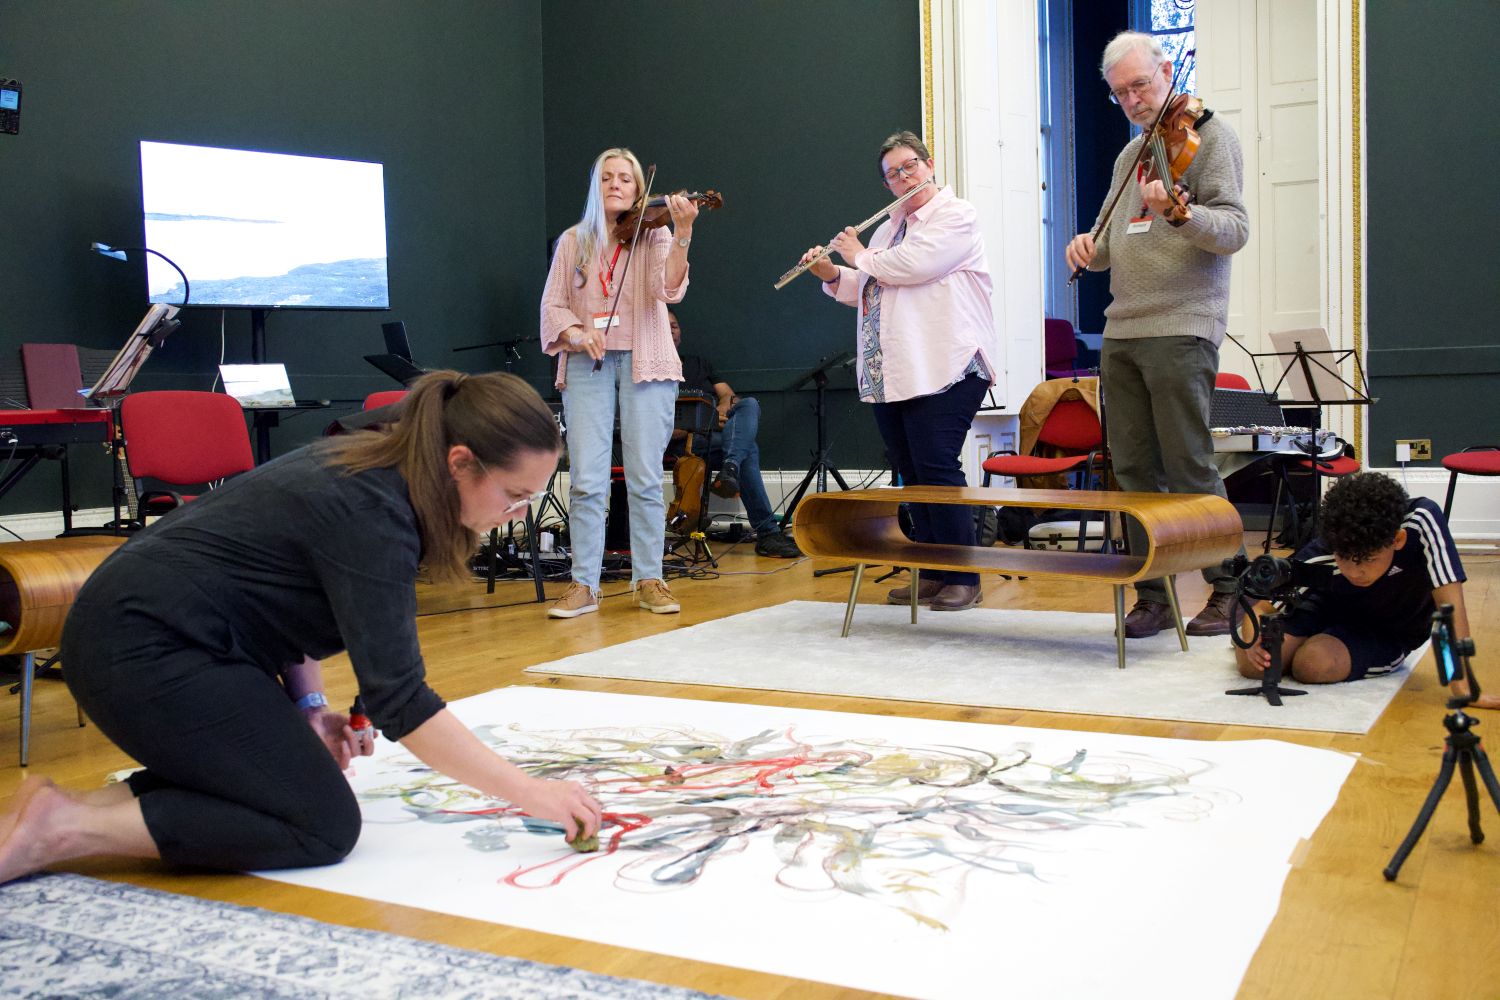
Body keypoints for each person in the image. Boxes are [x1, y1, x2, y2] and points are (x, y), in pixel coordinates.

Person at [0, 371, 602, 886]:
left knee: (289, 779)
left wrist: (309, 706)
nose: (518, 513)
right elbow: (401, 701)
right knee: (320, 825)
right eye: (515, 495)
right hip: (138, 652)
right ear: (460, 462)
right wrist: (532, 792)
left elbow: (286, 602)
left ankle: (68, 805)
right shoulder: (374, 510)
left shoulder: (381, 469)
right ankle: (67, 828)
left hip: (170, 639)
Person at [1064, 31, 1251, 640]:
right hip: (1123, 330)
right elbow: (1107, 242)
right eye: (1120, 93)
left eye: (1140, 85)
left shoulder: (1211, 138)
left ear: (1168, 71)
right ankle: (1154, 593)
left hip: (1182, 324)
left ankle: (1231, 589)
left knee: (1189, 463)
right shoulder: (1131, 155)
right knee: (1133, 472)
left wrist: (1180, 212)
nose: (1132, 100)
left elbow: (1234, 230)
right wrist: (1085, 247)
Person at [799, 130, 999, 611]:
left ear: (929, 165)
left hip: (948, 363)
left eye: (910, 166)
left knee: (936, 466)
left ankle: (963, 576)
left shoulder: (955, 215)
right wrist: (832, 273)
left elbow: (913, 266)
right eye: (893, 174)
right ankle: (932, 571)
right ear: (886, 185)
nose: (903, 177)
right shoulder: (887, 232)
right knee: (912, 471)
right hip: (897, 370)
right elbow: (874, 285)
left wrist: (855, 254)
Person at [540, 147, 698, 619]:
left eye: (625, 178)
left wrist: (684, 232)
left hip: (646, 360)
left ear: (638, 189)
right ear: (597, 185)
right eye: (607, 177)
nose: (615, 184)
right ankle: (583, 585)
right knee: (587, 480)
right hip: (587, 362)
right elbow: (553, 306)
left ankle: (649, 579)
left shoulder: (655, 233)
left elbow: (669, 290)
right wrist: (576, 333)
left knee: (645, 477)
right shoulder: (574, 240)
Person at [1233, 473, 1496, 708]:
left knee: (1312, 664)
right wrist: (1252, 637)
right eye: (1344, 558)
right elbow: (1261, 606)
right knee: (1254, 666)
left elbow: (1450, 607)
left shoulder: (1422, 522)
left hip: (1389, 629)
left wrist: (1463, 685)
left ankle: (1315, 644)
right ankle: (1307, 638)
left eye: (1369, 560)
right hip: (1325, 607)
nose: (1355, 571)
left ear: (1397, 540)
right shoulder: (1327, 548)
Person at [668, 310, 801, 558]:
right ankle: (767, 533)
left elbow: (728, 395)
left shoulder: (698, 364)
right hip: (686, 443)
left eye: (674, 325)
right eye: (665, 326)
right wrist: (707, 421)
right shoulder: (650, 373)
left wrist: (720, 408)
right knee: (748, 450)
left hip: (719, 437)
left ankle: (729, 467)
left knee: (748, 403)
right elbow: (660, 428)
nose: (671, 330)